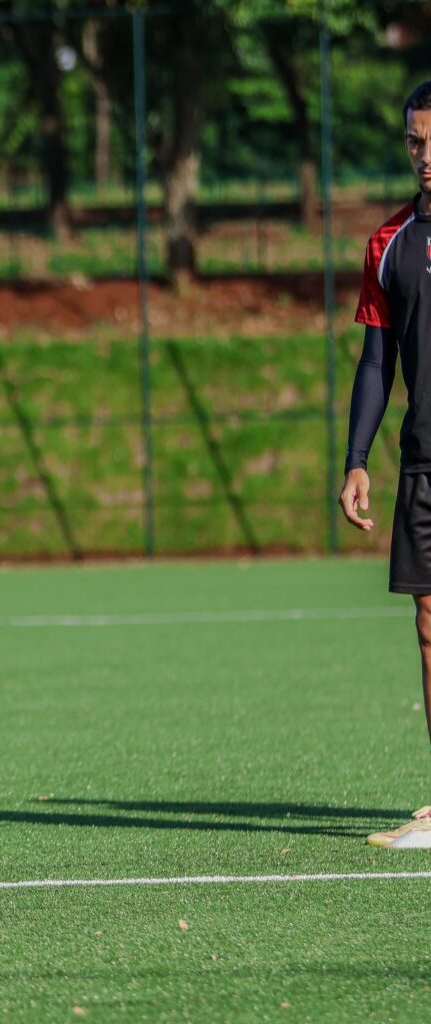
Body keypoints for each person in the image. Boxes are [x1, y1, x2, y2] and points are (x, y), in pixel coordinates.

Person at [341, 80, 431, 848]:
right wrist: (356, 459)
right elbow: (375, 363)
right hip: (425, 464)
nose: (426, 156)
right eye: (416, 142)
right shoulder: (388, 242)